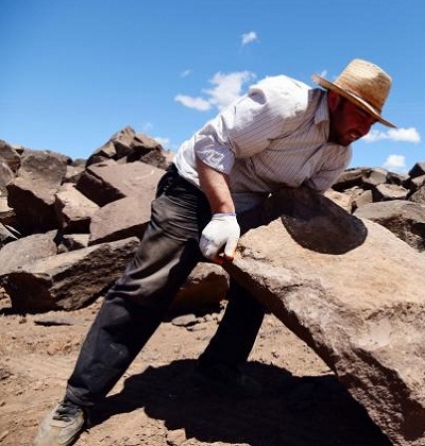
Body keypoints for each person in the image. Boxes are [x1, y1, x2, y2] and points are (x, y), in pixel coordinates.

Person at [32, 58, 395, 446]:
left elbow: (296, 199)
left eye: (373, 122)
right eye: (361, 115)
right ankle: (77, 402)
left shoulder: (337, 155)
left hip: (249, 206)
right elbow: (211, 145)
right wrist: (222, 215)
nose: (364, 130)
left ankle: (218, 368)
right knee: (147, 287)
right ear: (336, 100)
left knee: (258, 289)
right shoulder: (285, 104)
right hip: (191, 188)